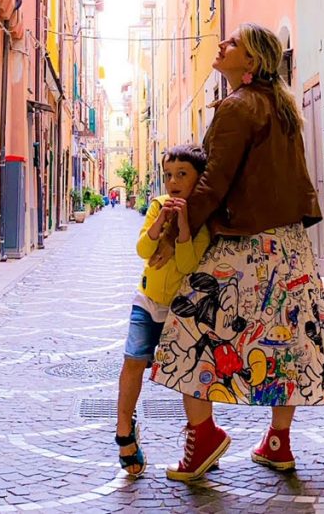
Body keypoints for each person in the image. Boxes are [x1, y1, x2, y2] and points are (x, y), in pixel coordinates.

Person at [151, 23, 324, 482]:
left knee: (184, 333)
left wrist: (176, 231)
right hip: (291, 246)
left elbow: (213, 180)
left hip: (248, 246)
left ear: (252, 62)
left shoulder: (237, 108)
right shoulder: (283, 108)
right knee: (287, 341)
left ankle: (205, 437)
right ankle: (278, 442)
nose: (222, 45)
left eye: (233, 43)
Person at [115, 144, 212, 477]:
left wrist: (183, 225)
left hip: (180, 310)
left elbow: (187, 263)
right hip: (146, 300)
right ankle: (124, 429)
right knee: (133, 359)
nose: (173, 181)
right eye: (168, 175)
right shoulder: (156, 205)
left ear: (199, 179)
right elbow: (143, 248)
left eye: (182, 174)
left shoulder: (201, 221)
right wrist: (160, 224)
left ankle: (201, 440)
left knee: (190, 374)